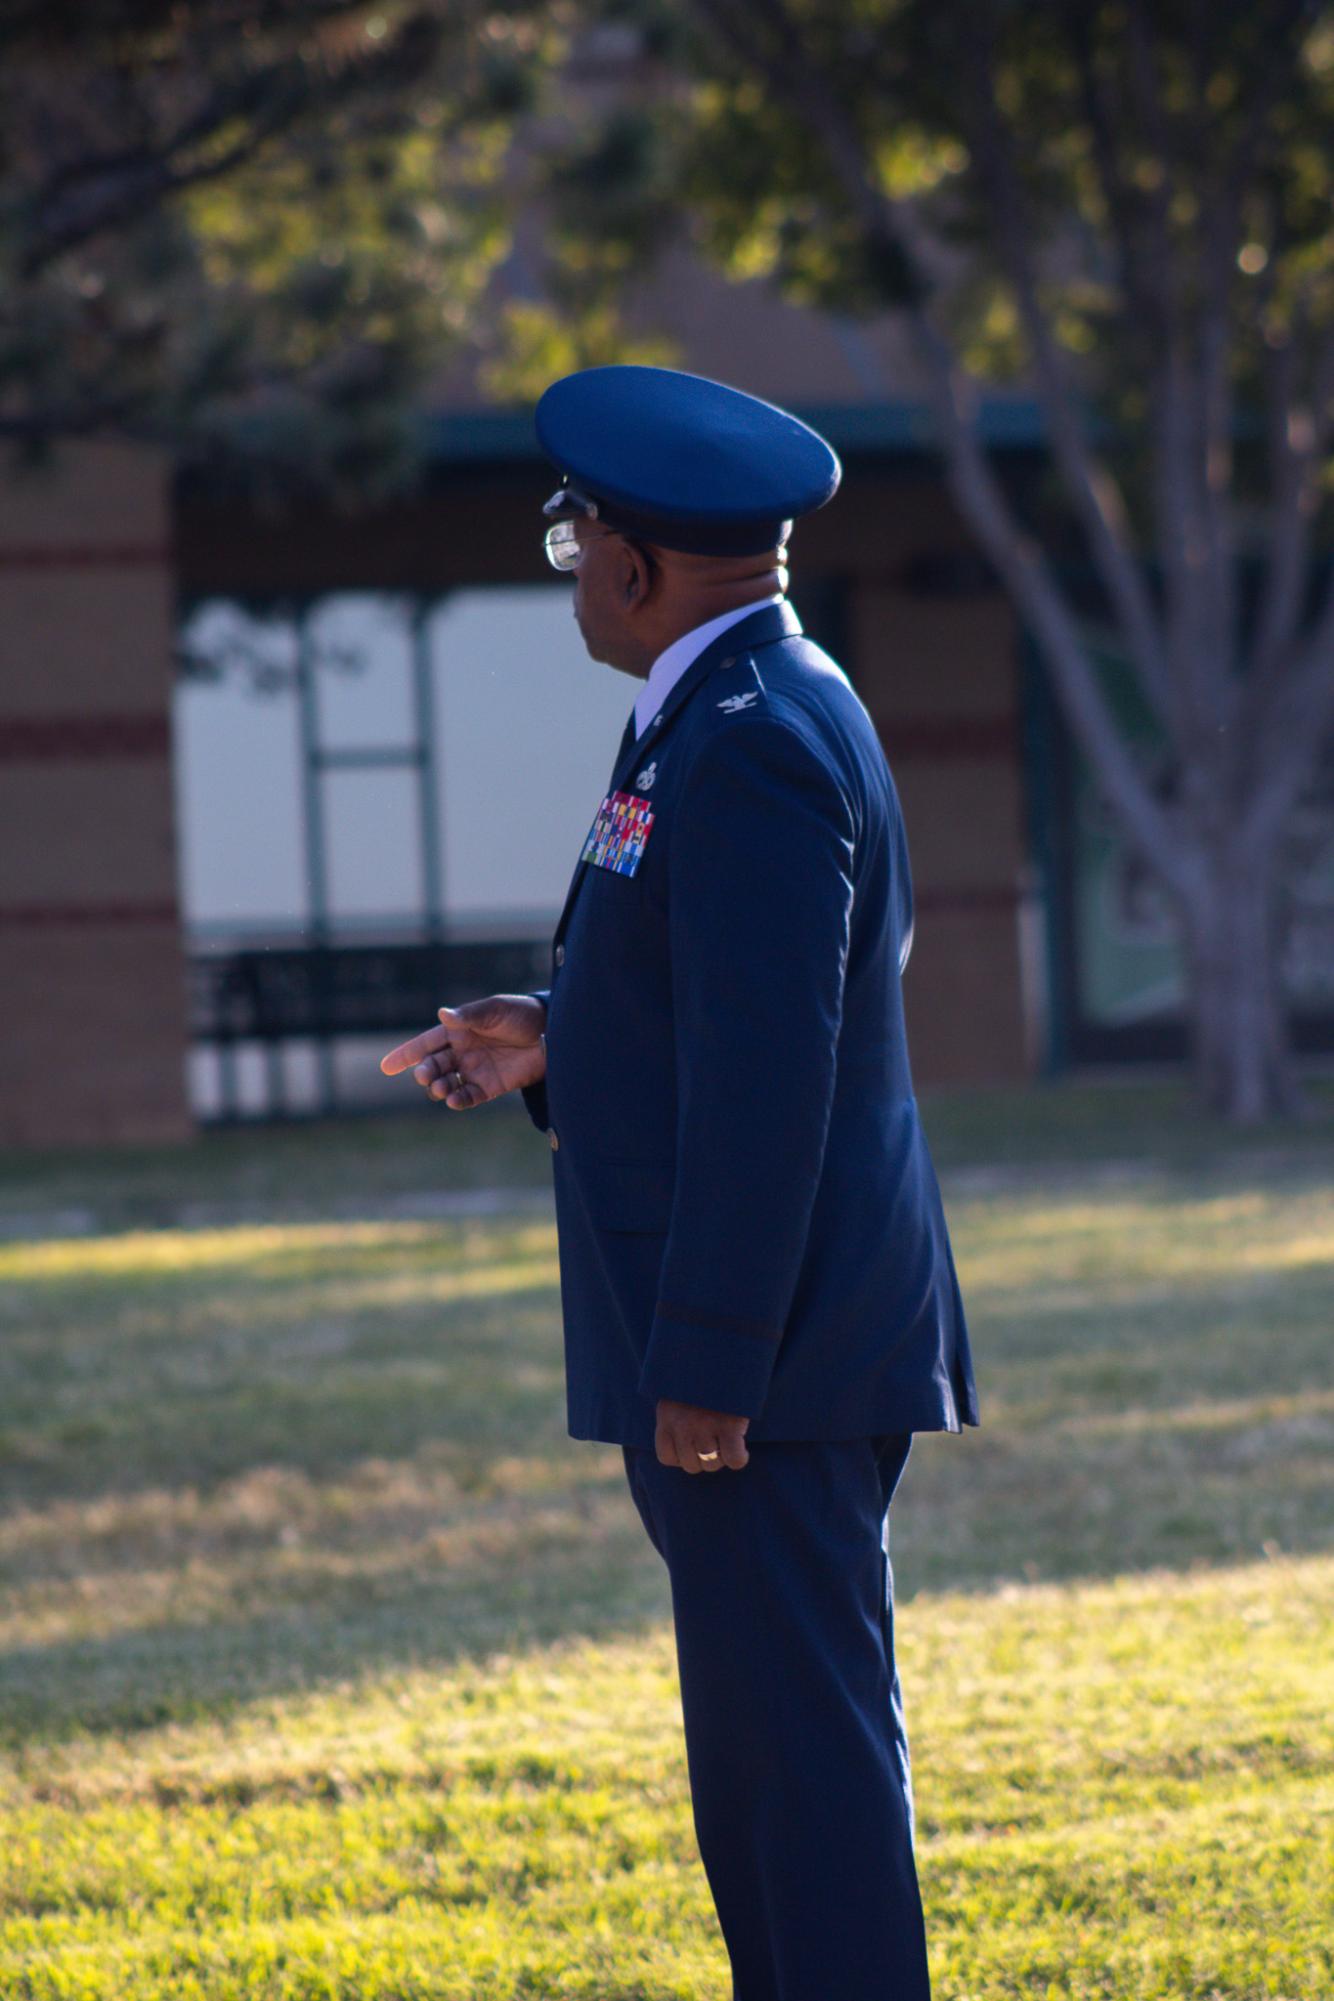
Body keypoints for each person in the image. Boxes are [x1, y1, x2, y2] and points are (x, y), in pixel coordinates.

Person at [381, 364, 979, 2001]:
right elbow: (725, 1002)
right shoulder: (741, 705)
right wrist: (559, 1040)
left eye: (575, 541)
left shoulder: (758, 737)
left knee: (803, 1781)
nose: (572, 568)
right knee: (765, 1774)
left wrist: (706, 1358)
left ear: (634, 566)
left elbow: (777, 1078)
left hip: (765, 1365)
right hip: (761, 1354)